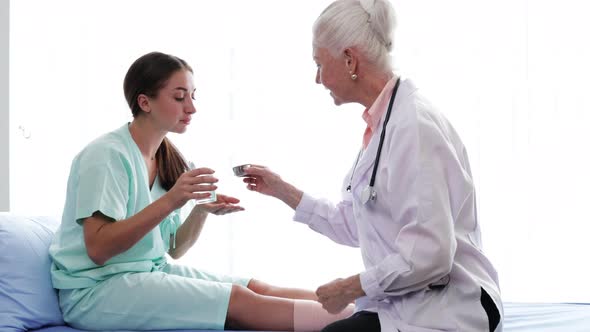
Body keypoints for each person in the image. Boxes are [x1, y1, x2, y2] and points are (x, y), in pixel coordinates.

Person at [239, 0, 503, 331]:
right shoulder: (383, 124)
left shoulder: (414, 127)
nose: (317, 78)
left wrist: (351, 287)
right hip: (412, 300)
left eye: (319, 64)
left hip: (453, 305)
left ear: (349, 60)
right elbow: (357, 225)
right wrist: (281, 190)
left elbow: (430, 257)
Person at [48, 51, 353, 331]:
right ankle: (364, 326)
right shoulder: (106, 156)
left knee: (255, 287)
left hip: (148, 273)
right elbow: (98, 250)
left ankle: (363, 311)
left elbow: (173, 249)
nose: (191, 107)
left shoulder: (169, 158)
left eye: (192, 96)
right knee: (237, 299)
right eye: (179, 97)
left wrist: (200, 211)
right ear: (144, 102)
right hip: (96, 291)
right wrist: (172, 200)